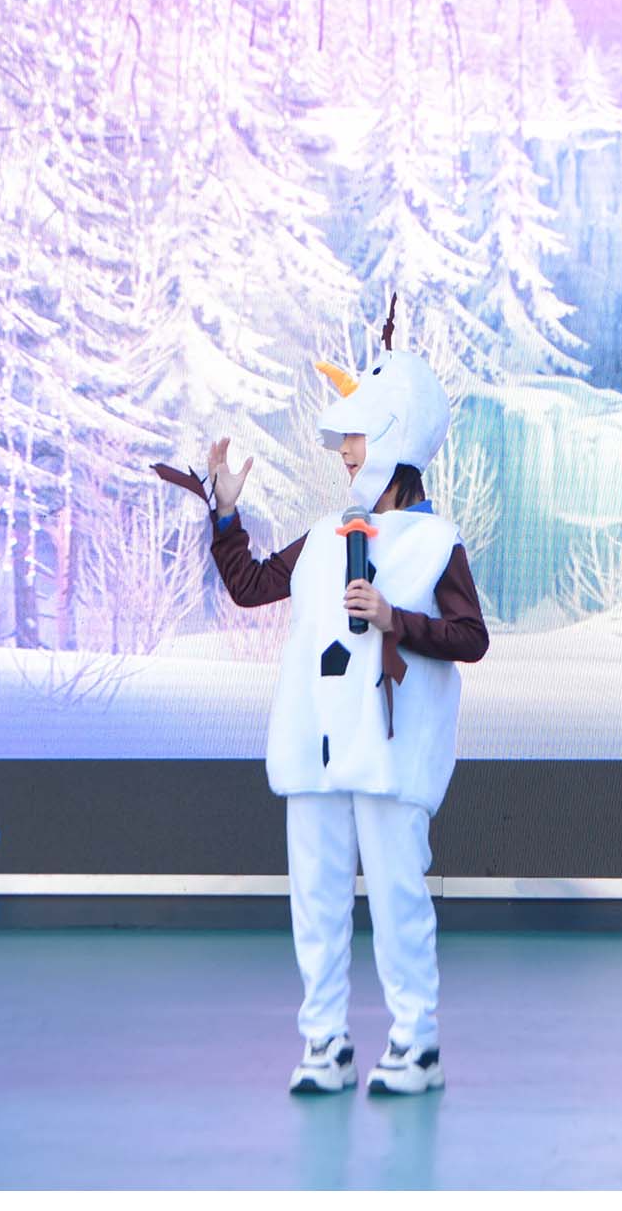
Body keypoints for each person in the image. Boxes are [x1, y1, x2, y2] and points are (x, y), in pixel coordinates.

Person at [165, 307, 487, 1095]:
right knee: (315, 897)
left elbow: (470, 637)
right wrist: (226, 512)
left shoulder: (436, 543)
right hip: (313, 746)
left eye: (359, 436)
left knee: (399, 895)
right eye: (344, 437)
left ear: (399, 435)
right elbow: (249, 586)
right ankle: (325, 1041)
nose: (346, 453)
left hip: (389, 751)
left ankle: (415, 1042)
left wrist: (395, 619)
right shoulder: (321, 536)